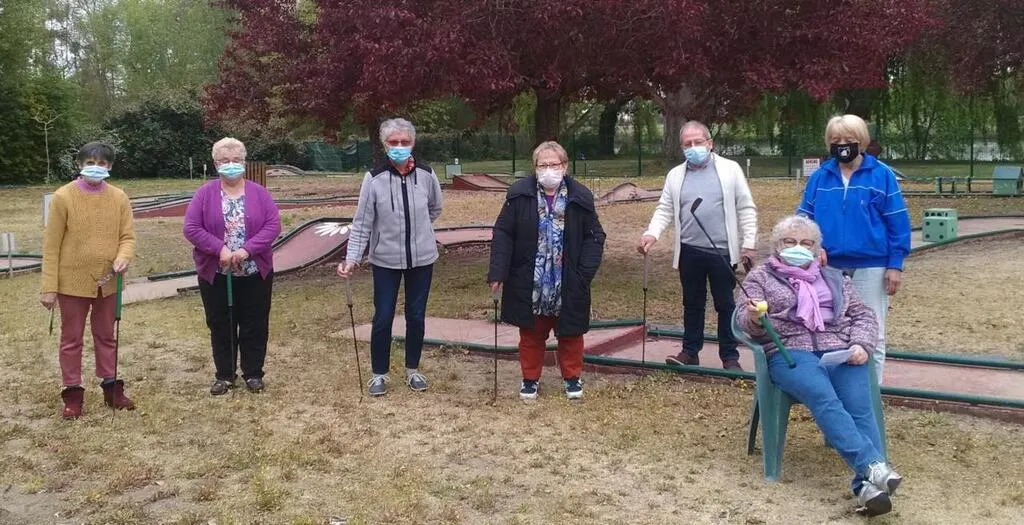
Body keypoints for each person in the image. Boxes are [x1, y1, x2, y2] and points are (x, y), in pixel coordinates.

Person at [734, 215, 902, 517]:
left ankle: (866, 487)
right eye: (790, 241)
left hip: (840, 350)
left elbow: (863, 315)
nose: (798, 247)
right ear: (777, 245)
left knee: (860, 406)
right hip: (790, 353)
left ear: (816, 249)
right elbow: (744, 321)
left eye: (806, 243)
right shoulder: (759, 278)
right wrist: (755, 318)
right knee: (824, 397)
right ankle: (874, 466)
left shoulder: (835, 277)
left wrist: (860, 344)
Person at [488, 141, 606, 400]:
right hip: (530, 279)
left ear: (564, 166)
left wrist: (584, 273)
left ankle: (572, 377)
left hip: (569, 278)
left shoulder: (580, 197)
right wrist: (498, 271)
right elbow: (503, 233)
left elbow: (595, 236)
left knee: (571, 332)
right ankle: (530, 379)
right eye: (543, 165)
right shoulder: (518, 195)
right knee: (531, 333)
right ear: (535, 167)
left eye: (554, 164)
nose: (549, 170)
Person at [797, 114, 911, 382]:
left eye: (848, 139)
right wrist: (813, 247)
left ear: (861, 141)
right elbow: (804, 219)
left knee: (872, 331)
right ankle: (840, 388)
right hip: (830, 264)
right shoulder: (820, 178)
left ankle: (871, 392)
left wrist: (895, 264)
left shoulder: (882, 175)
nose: (842, 145)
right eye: (835, 140)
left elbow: (898, 222)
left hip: (872, 265)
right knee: (833, 328)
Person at [637, 121, 757, 370]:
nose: (693, 148)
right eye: (687, 144)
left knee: (725, 304)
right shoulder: (675, 175)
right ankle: (690, 352)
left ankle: (730, 357)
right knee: (692, 304)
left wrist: (749, 243)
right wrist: (651, 234)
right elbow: (665, 208)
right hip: (689, 251)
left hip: (722, 251)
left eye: (698, 142)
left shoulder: (730, 169)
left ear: (710, 143)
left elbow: (746, 207)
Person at [337, 118, 443, 397]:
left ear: (413, 143)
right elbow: (362, 222)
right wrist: (352, 258)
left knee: (416, 316)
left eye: (405, 142)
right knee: (383, 316)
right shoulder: (374, 178)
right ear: (385, 145)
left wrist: (419, 231)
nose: (399, 146)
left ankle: (413, 369)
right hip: (385, 260)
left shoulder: (427, 174)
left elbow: (435, 208)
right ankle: (379, 374)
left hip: (422, 259)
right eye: (393, 142)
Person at [40, 141, 136, 419]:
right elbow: (51, 245)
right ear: (80, 165)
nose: (96, 168)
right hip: (71, 282)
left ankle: (111, 386)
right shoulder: (63, 197)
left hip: (108, 281)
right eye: (90, 163)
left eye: (102, 163)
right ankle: (72, 393)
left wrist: (123, 257)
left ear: (110, 166)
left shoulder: (119, 197)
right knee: (71, 338)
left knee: (106, 335)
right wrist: (49, 287)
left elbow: (127, 237)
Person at [184, 138, 281, 395]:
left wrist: (247, 250)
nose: (231, 165)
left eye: (236, 160)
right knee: (220, 323)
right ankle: (225, 375)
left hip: (255, 271)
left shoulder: (260, 193)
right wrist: (220, 249)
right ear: (216, 164)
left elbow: (273, 226)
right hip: (216, 273)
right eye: (225, 161)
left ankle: (253, 373)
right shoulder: (204, 194)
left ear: (244, 163)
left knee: (255, 323)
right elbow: (191, 228)